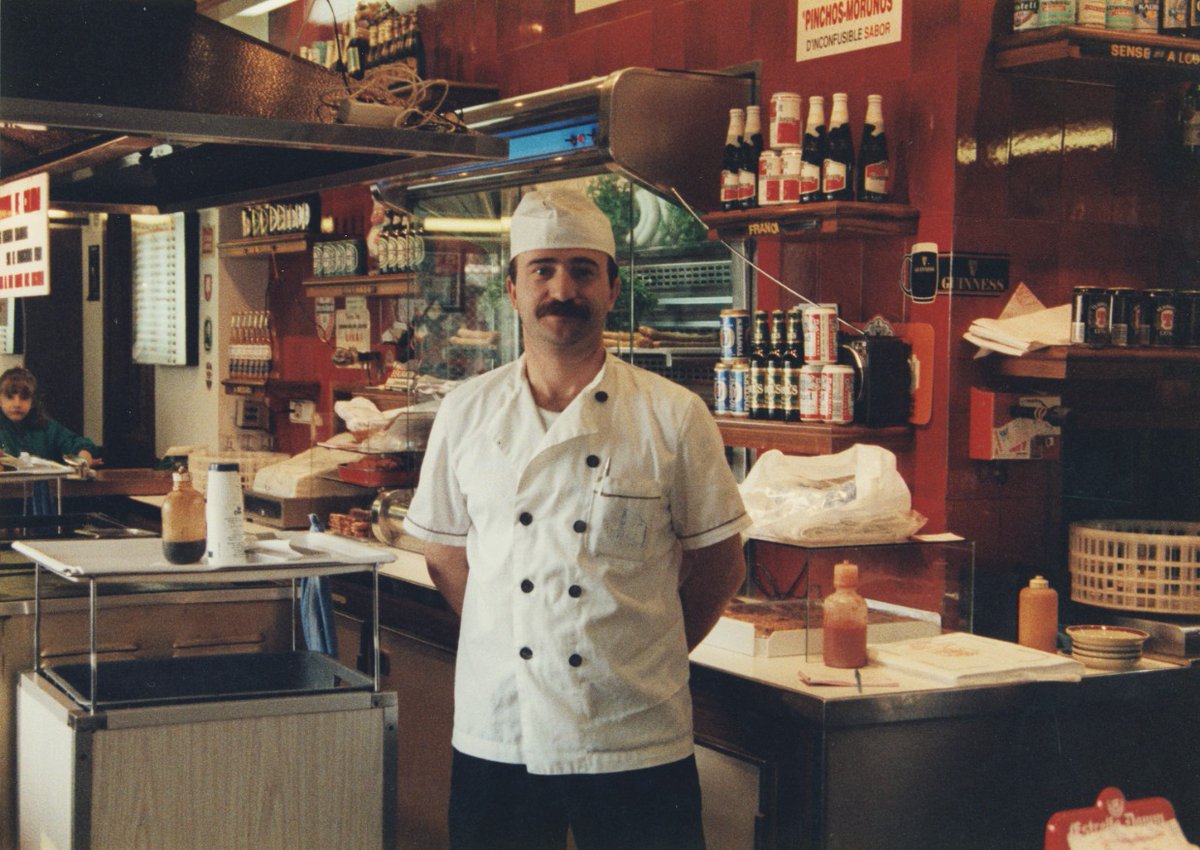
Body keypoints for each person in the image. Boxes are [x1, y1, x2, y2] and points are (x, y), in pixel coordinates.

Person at [403, 188, 751, 850]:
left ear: (612, 288)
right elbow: (447, 555)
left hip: (635, 734)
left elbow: (720, 564)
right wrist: (510, 634)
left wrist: (641, 657)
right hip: (500, 727)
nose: (562, 288)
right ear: (512, 288)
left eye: (583, 270)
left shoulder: (673, 415)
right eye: (543, 269)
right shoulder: (467, 413)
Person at [0, 367, 95, 464]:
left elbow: (79, 443)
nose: (17, 404)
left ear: (32, 401)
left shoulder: (46, 427)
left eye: (24, 398)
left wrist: (83, 459)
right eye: (10, 397)